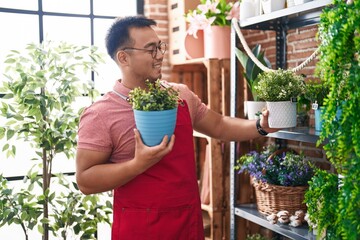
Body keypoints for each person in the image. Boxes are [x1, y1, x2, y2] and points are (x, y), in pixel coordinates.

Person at [76, 15, 278, 240]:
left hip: (187, 225)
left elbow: (219, 125)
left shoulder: (180, 94)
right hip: (140, 230)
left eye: (160, 46)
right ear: (124, 57)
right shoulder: (100, 114)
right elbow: (85, 179)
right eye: (151, 49)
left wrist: (260, 126)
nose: (161, 55)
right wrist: (137, 165)